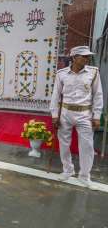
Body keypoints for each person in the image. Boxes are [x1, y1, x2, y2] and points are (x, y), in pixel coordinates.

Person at [50, 46, 103, 189]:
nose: (87, 59)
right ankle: (68, 170)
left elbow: (98, 95)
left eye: (88, 56)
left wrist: (97, 116)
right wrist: (55, 115)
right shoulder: (61, 74)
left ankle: (85, 176)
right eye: (83, 56)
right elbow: (56, 96)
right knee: (64, 143)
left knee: (87, 146)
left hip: (85, 114)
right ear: (74, 57)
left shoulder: (93, 73)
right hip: (66, 112)